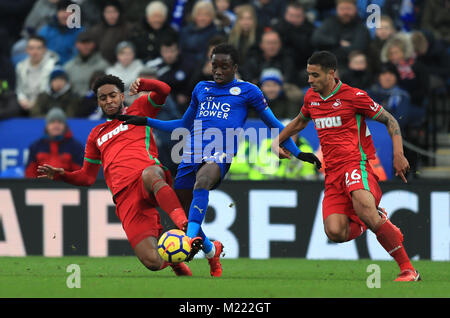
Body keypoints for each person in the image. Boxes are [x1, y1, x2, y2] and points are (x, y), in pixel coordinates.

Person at [117, 43, 321, 277]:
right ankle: (212, 251)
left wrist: (297, 152)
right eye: (215, 65)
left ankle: (191, 238)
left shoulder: (249, 91)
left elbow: (274, 124)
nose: (218, 71)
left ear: (234, 67)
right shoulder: (201, 89)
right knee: (186, 215)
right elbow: (183, 125)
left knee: (202, 182)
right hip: (191, 153)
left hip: (221, 152)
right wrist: (146, 122)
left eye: (224, 66)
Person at [273, 51, 420, 282]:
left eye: (315, 75)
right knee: (335, 232)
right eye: (308, 75)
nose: (309, 80)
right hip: (331, 173)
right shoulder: (311, 98)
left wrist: (398, 154)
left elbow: (389, 120)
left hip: (355, 163)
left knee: (363, 205)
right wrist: (278, 140)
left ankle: (408, 270)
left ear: (331, 73)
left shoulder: (354, 96)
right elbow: (301, 121)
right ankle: (373, 219)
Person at [36, 74, 191, 276]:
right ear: (98, 102)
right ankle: (174, 260)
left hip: (145, 176)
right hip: (124, 198)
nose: (109, 101)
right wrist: (62, 175)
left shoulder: (140, 109)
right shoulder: (96, 135)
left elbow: (164, 90)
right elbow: (87, 178)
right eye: (103, 98)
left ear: (121, 96)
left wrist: (144, 83)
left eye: (113, 95)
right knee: (152, 261)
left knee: (150, 173)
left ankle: (184, 225)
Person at [25, 108, 84, 178]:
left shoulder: (76, 146)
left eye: (59, 122)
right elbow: (30, 173)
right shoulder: (35, 146)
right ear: (47, 126)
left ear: (65, 126)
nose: (56, 125)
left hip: (67, 187)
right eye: (52, 122)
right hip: (41, 187)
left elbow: (79, 174)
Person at [15, 35, 58, 116]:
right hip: (25, 103)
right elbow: (19, 88)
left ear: (44, 50)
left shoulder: (53, 66)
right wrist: (22, 99)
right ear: (27, 50)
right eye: (31, 48)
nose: (35, 52)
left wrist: (35, 102)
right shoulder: (20, 66)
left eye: (39, 48)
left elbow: (49, 90)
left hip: (45, 102)